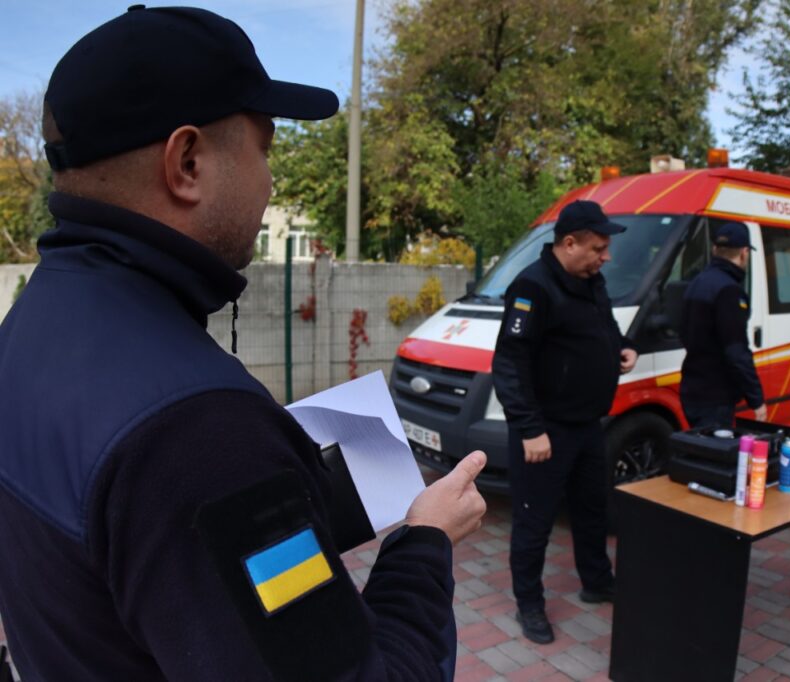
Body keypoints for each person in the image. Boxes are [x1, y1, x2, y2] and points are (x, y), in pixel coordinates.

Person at [0, 7, 486, 680]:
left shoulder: (33, 322)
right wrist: (426, 542)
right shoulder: (200, 430)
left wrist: (284, 502)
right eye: (266, 149)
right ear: (188, 161)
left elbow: (148, 553)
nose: (271, 181)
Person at [492, 200, 638, 644]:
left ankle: (597, 581)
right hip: (545, 430)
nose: (605, 256)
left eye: (606, 248)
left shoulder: (590, 279)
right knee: (534, 521)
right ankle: (529, 605)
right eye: (598, 247)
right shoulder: (532, 288)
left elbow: (605, 326)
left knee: (593, 510)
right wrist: (530, 427)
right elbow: (510, 362)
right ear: (568, 243)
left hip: (587, 424)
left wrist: (622, 347)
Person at [678, 221, 767, 429]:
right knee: (714, 455)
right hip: (715, 395)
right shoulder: (729, 291)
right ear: (744, 253)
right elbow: (736, 351)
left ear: (715, 249)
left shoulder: (697, 282)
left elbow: (684, 331)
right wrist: (756, 399)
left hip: (692, 386)